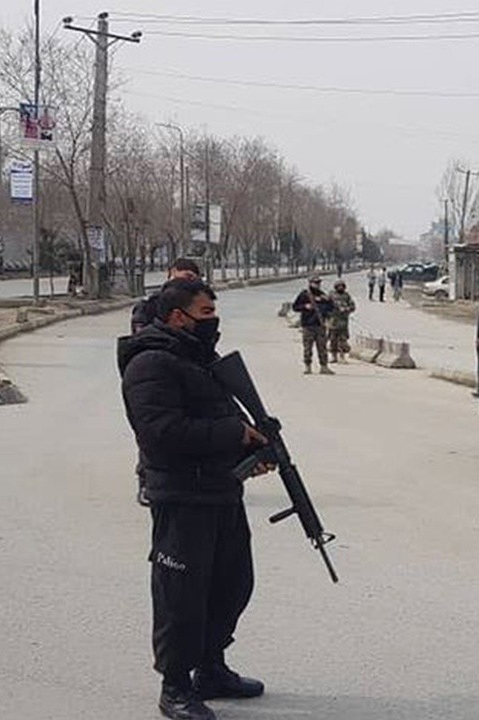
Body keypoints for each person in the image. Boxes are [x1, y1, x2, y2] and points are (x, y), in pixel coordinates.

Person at [118, 279, 269, 720]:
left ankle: (211, 667)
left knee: (232, 583)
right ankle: (175, 685)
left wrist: (250, 449)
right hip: (182, 495)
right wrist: (232, 434)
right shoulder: (149, 364)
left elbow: (219, 417)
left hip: (220, 489)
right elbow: (160, 433)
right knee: (181, 595)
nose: (214, 321)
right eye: (206, 313)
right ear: (178, 317)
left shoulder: (201, 360)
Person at [128, 258, 204, 507]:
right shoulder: (150, 305)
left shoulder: (199, 303)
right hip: (155, 373)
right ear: (169, 274)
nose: (185, 280)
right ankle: (147, 480)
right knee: (153, 431)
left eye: (190, 277)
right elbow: (139, 340)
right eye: (180, 275)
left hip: (189, 371)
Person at [132, 258, 202, 334]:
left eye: (193, 279)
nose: (187, 282)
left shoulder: (197, 306)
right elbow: (139, 336)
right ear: (173, 272)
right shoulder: (150, 304)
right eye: (187, 276)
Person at [292, 276, 335, 375]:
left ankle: (324, 367)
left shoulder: (323, 295)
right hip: (308, 325)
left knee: (322, 347)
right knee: (308, 347)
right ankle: (308, 367)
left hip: (320, 325)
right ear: (310, 283)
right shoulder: (304, 295)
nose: (317, 285)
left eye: (318, 283)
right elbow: (295, 307)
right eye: (315, 283)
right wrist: (305, 306)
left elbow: (331, 307)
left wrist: (327, 301)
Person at [326, 280, 356, 364]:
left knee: (343, 340)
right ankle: (333, 356)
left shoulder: (346, 296)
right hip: (333, 322)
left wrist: (346, 309)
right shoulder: (331, 295)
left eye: (342, 286)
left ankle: (342, 356)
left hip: (343, 322)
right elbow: (326, 306)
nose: (340, 288)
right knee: (333, 340)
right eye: (339, 286)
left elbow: (352, 306)